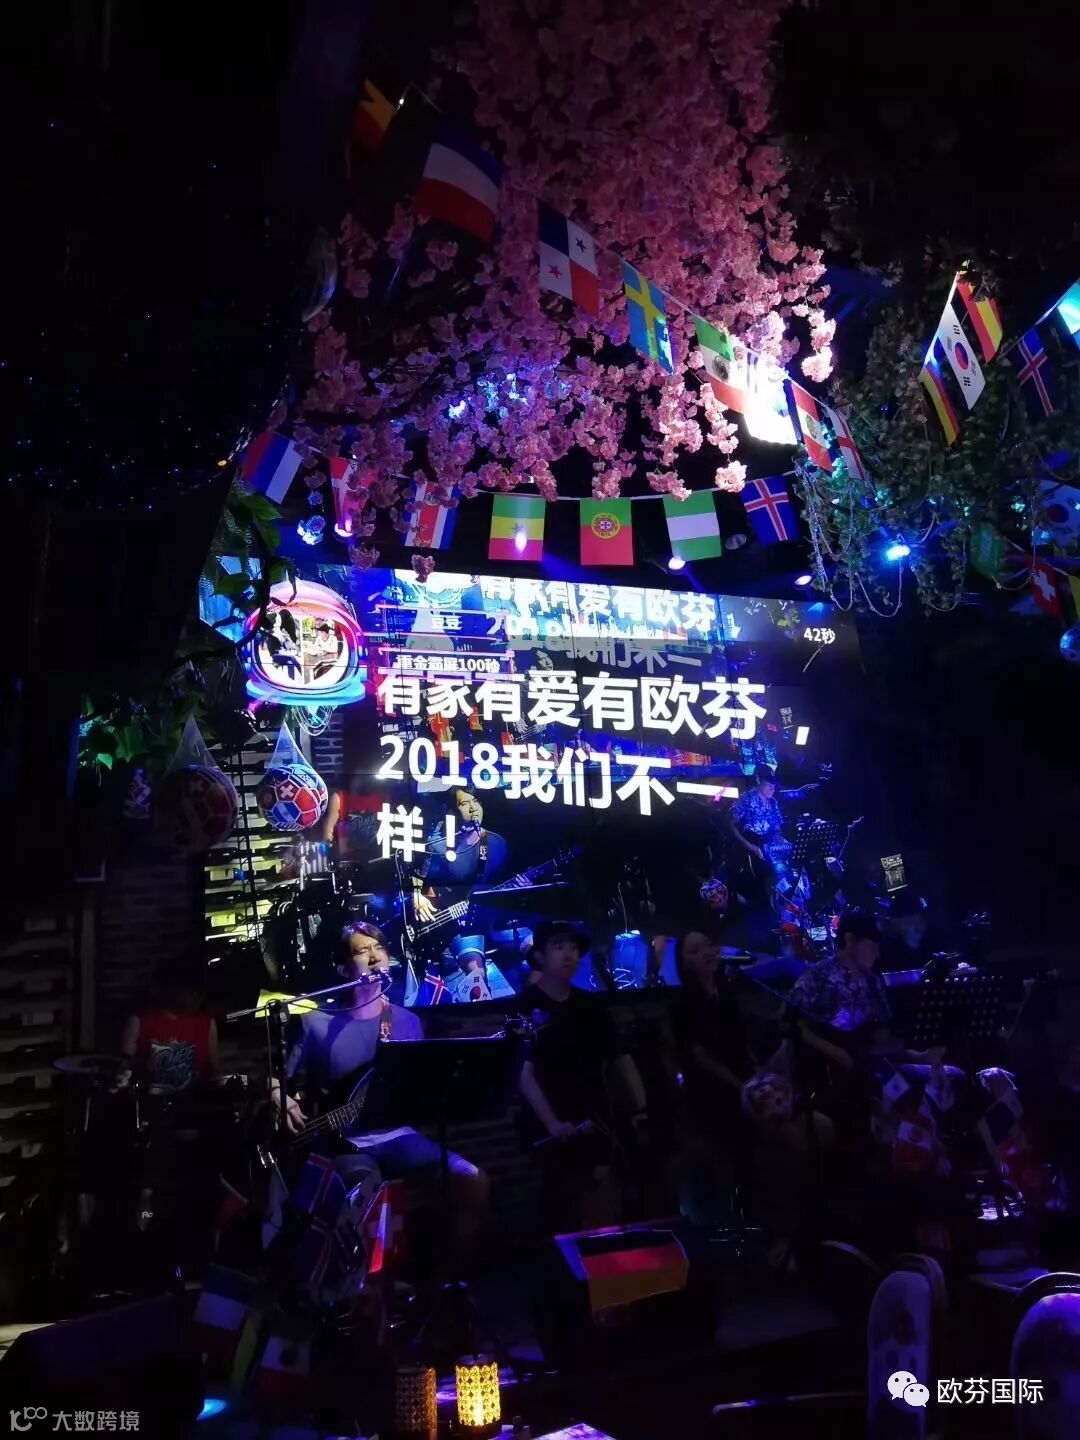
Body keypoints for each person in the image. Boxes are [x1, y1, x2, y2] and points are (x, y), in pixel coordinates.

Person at [272, 920, 488, 1265]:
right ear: (344, 968)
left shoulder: (406, 1021)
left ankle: (445, 1280)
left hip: (398, 1135)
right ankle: (370, 1291)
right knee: (369, 1200)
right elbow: (278, 1078)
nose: (375, 958)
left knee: (472, 1180)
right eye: (362, 951)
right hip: (345, 1142)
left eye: (380, 949)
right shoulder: (316, 1022)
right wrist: (276, 1093)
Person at [516, 920, 648, 1229]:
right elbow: (523, 1071)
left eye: (574, 947)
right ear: (540, 956)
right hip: (547, 1129)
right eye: (559, 946)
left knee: (610, 1203)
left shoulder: (591, 1006)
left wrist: (641, 1110)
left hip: (596, 1121)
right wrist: (552, 1123)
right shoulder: (525, 1005)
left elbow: (619, 1057)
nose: (568, 954)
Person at [672, 932, 756, 1222]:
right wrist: (740, 1086)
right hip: (709, 1093)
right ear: (684, 963)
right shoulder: (684, 1005)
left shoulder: (728, 993)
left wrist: (757, 1076)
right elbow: (700, 1057)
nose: (707, 952)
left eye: (708, 945)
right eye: (695, 950)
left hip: (742, 1083)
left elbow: (744, 1043)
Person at [121, 955, 218, 1091]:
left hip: (196, 1101)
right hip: (151, 1101)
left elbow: (214, 1071)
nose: (198, 996)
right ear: (173, 987)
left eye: (200, 992)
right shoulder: (139, 1023)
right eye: (192, 990)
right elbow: (123, 1074)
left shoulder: (207, 1023)